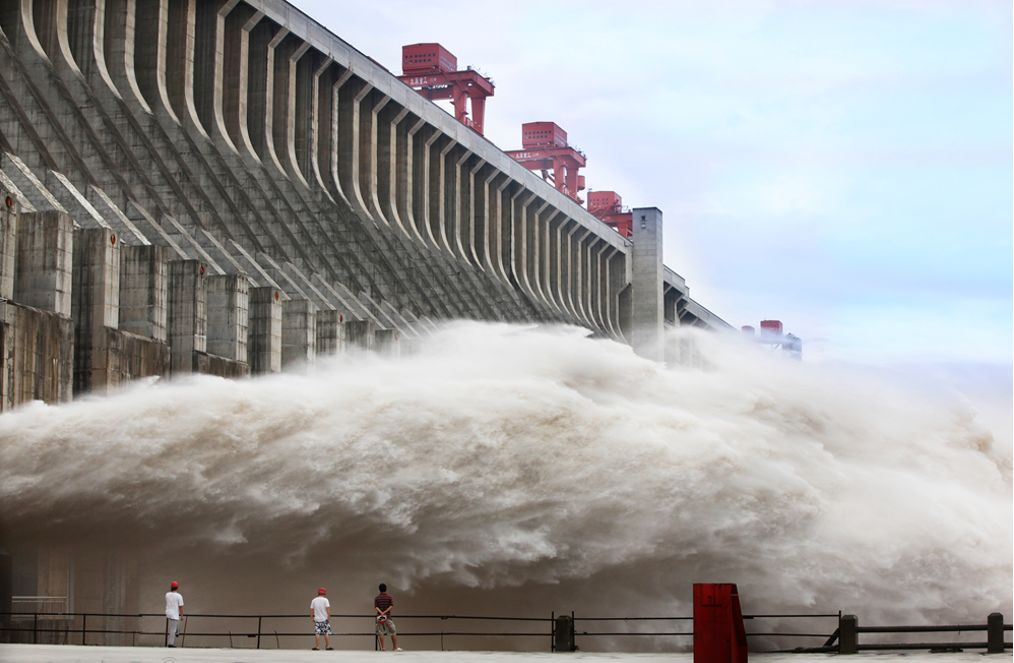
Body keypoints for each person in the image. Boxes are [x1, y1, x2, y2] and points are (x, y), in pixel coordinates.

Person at [374, 583, 401, 652]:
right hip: (388, 616)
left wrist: (381, 612)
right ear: (386, 589)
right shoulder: (389, 597)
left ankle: (383, 648)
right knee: (393, 631)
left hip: (379, 617)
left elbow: (376, 607)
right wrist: (385, 612)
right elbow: (391, 606)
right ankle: (395, 647)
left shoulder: (377, 598)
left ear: (379, 589)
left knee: (381, 632)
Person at [311, 587, 334, 651]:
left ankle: (317, 646)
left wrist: (311, 618)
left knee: (317, 633)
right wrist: (329, 618)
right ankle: (328, 646)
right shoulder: (326, 600)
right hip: (324, 619)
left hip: (317, 619)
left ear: (318, 593)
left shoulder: (314, 600)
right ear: (324, 593)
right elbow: (328, 610)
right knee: (326, 633)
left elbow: (311, 610)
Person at [164, 581, 184, 648]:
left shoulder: (167, 594)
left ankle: (177, 632)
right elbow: (181, 606)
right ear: (177, 587)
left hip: (168, 612)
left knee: (175, 625)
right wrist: (182, 615)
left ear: (171, 587)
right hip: (174, 614)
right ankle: (170, 644)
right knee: (173, 629)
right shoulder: (179, 596)